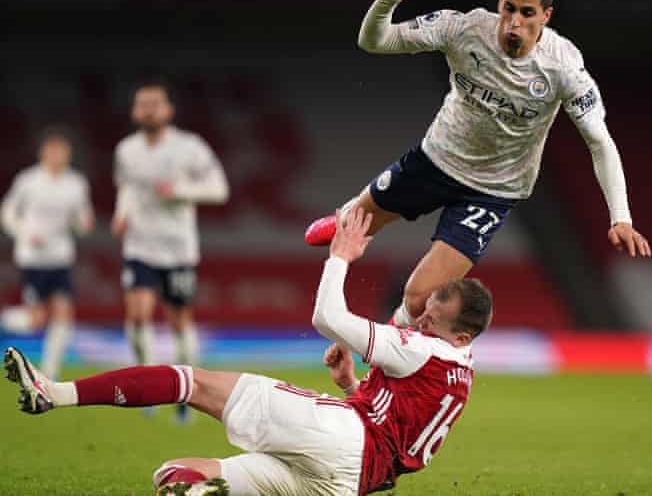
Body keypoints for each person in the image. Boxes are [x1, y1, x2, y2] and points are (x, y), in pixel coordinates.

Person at [5, 206, 492, 496]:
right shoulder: (459, 373)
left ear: (462, 336)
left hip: (342, 437)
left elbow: (327, 318)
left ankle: (54, 393)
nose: (420, 321)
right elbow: (396, 435)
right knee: (175, 476)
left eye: (432, 320)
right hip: (347, 482)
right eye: (424, 312)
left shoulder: (422, 351)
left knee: (193, 382)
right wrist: (350, 383)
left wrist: (340, 258)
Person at [305, 0, 651, 329]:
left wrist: (621, 218)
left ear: (546, 15)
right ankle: (349, 214)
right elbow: (374, 41)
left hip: (493, 192)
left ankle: (383, 349)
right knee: (350, 227)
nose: (514, 22)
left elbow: (600, 143)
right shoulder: (464, 29)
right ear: (499, 1)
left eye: (527, 13)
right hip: (435, 161)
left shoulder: (563, 67)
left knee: (419, 298)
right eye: (509, 8)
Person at [112, 80, 229, 422]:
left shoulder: (190, 147)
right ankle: (148, 386)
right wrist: (121, 214)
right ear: (135, 111)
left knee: (179, 321)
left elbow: (219, 189)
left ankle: (186, 392)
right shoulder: (126, 150)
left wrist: (180, 190)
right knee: (137, 313)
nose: (149, 110)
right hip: (139, 245)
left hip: (177, 248)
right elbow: (127, 189)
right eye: (143, 104)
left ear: (168, 110)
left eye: (155, 103)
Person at [0, 127, 94, 380]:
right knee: (37, 319)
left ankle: (50, 372)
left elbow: (81, 218)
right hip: (33, 258)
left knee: (63, 312)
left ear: (68, 154)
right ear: (43, 154)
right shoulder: (28, 180)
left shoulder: (76, 183)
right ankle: (4, 319)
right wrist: (24, 233)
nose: (56, 156)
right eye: (52, 151)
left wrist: (83, 224)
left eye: (61, 152)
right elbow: (7, 211)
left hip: (61, 257)